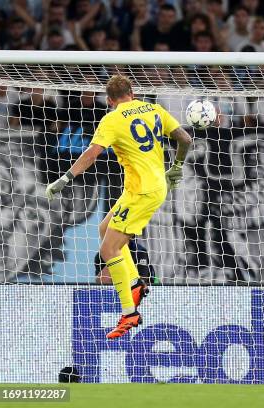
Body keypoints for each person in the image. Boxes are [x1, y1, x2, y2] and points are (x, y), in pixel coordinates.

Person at [44, 75, 192, 339]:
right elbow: (185, 139)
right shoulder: (154, 108)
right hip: (148, 186)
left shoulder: (112, 119)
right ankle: (134, 283)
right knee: (104, 229)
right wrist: (177, 167)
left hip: (141, 192)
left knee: (108, 248)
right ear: (132, 92)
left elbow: (91, 154)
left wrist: (65, 178)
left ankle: (129, 312)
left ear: (110, 100)